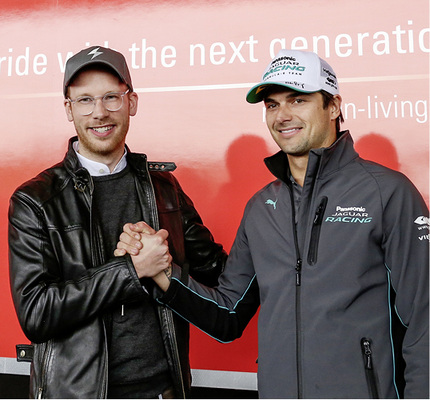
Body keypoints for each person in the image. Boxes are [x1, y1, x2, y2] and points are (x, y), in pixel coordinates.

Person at [117, 50, 429, 398]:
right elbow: (228, 316)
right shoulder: (263, 207)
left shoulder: (388, 193)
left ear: (334, 106)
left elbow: (424, 320)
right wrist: (162, 274)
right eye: (272, 105)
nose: (283, 115)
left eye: (298, 100)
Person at [8, 45, 227, 399]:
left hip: (164, 391)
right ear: (68, 109)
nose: (99, 112)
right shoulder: (36, 200)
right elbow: (37, 314)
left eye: (112, 97)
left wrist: (164, 265)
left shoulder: (165, 190)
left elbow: (217, 272)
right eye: (85, 100)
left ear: (132, 102)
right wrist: (131, 269)